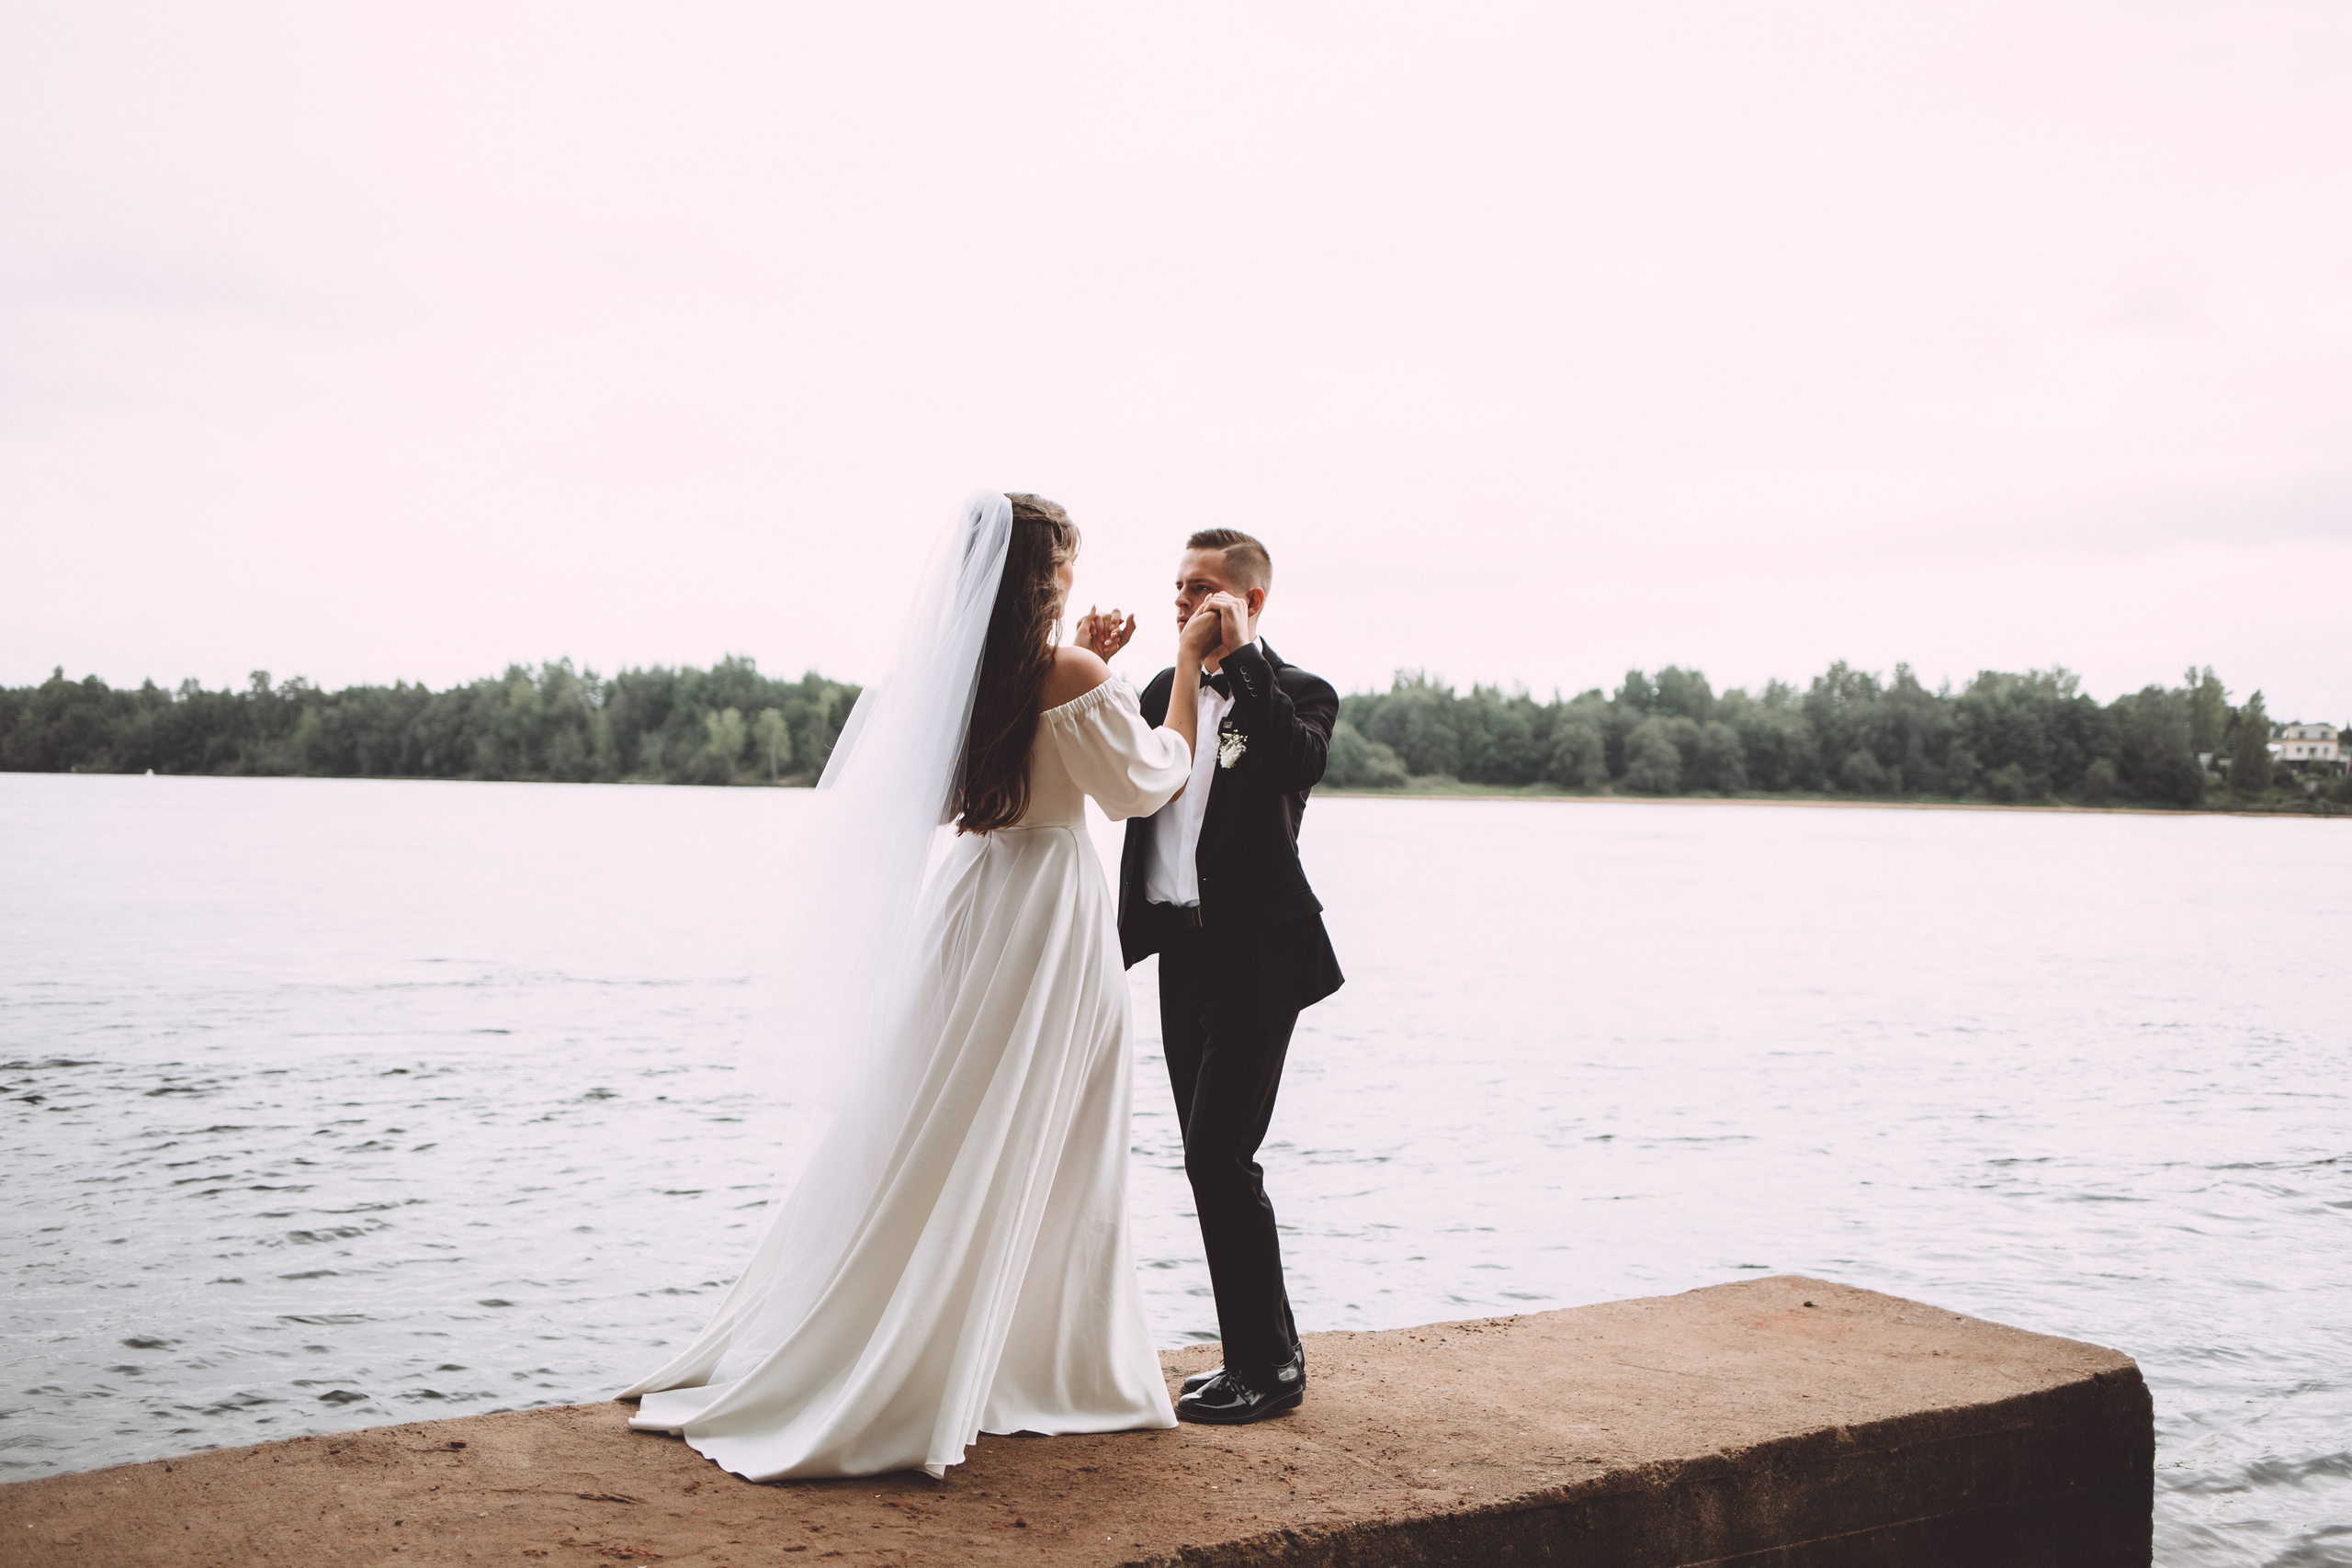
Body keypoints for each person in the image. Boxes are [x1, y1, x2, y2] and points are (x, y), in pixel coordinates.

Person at [621, 492, 1221, 1481]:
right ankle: (1043, 1362)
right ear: (1049, 573)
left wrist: (1092, 669)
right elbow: (1144, 781)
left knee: (948, 1115)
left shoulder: (958, 677)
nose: (1074, 575)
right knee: (1053, 1122)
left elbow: (1028, 747)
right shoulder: (1062, 670)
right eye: (1068, 562)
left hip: (974, 899)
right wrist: (1185, 675)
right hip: (1045, 912)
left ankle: (953, 1336)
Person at [1116, 529, 1344, 1426]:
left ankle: (1270, 1368)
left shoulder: (1295, 693)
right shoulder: (1156, 694)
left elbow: (1298, 763)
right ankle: (1256, 1353)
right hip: (1180, 953)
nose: (1183, 600)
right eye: (1177, 585)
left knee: (1221, 1157)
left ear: (1249, 601)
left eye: (1203, 587)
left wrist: (1241, 655)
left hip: (1260, 957)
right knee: (1203, 1160)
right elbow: (1132, 786)